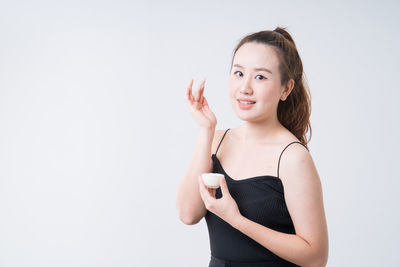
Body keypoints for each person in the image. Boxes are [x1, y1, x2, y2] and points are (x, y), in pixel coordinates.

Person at [176, 27, 329, 267]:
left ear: (286, 89)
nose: (245, 88)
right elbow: (187, 214)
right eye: (238, 73)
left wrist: (236, 220)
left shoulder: (293, 157)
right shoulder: (216, 140)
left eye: (260, 77)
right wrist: (206, 130)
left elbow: (316, 257)